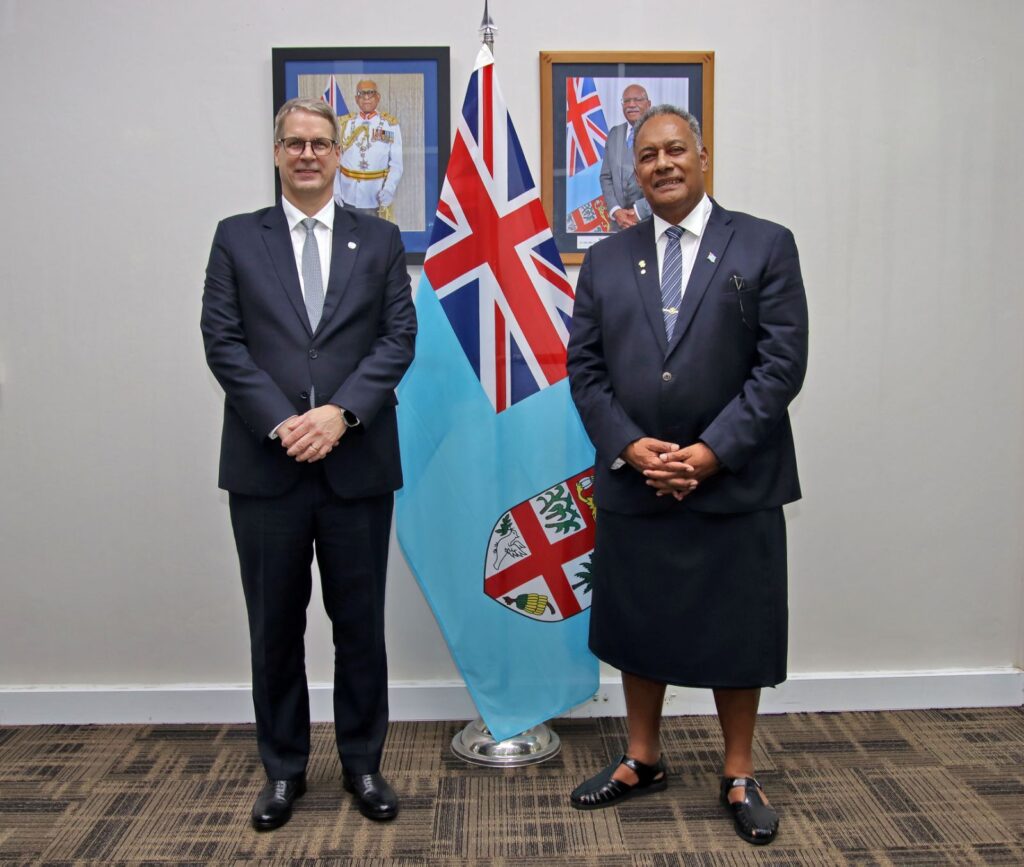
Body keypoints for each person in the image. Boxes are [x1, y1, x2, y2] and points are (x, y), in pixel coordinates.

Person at [565, 104, 808, 846]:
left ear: (702, 156)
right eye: (647, 156)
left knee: (738, 629)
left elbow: (780, 366)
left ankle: (739, 770)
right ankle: (642, 757)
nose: (662, 164)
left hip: (735, 479)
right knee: (639, 623)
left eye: (675, 150)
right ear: (634, 172)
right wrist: (631, 447)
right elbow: (585, 369)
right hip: (637, 479)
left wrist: (710, 452)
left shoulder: (764, 243)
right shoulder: (607, 259)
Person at [201, 97, 416, 831]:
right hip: (267, 469)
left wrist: (340, 413)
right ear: (276, 153)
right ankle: (284, 769)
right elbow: (223, 340)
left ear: (337, 153)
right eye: (294, 143)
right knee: (274, 629)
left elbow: (397, 338)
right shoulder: (237, 237)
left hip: (357, 465)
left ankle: (363, 764)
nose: (307, 154)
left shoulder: (379, 239)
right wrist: (284, 422)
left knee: (360, 627)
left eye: (320, 143)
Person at [334, 80, 403, 223]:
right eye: (362, 94)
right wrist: (336, 190)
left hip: (375, 195)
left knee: (374, 233)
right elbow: (335, 161)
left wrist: (389, 189)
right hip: (348, 194)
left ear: (378, 97)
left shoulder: (390, 125)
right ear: (356, 99)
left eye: (370, 93)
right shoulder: (344, 124)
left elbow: (396, 164)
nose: (366, 98)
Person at [599, 84, 652, 231]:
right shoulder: (614, 134)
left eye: (637, 100)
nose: (631, 105)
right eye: (626, 101)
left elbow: (665, 184)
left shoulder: (659, 133)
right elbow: (605, 177)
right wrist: (616, 210)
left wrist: (639, 212)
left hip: (650, 223)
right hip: (618, 225)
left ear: (648, 104)